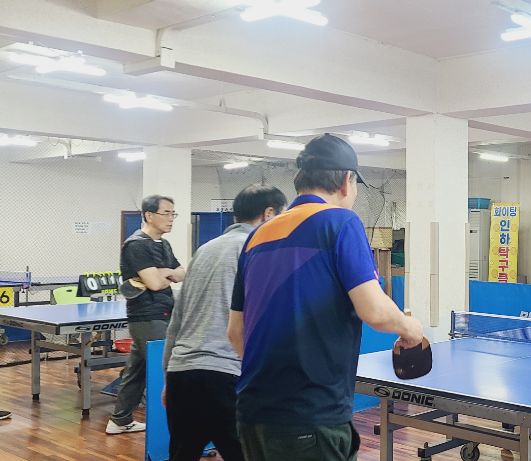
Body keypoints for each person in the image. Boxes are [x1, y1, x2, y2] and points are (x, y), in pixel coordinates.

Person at [227, 134, 423, 461]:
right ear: (346, 181)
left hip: (253, 413)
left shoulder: (258, 235)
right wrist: (409, 328)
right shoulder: (340, 222)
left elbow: (236, 331)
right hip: (310, 415)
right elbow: (374, 311)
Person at [162, 185, 287, 460]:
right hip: (227, 375)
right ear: (269, 214)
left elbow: (177, 319)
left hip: (182, 374)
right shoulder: (259, 251)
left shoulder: (204, 250)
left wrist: (168, 378)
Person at [107, 195, 185, 435]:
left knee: (136, 371)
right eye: (166, 213)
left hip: (164, 312)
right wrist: (165, 274)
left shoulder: (164, 245)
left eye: (173, 213)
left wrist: (164, 272)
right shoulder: (136, 245)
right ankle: (169, 430)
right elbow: (154, 283)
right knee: (165, 370)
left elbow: (183, 273)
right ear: (149, 215)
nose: (171, 218)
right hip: (146, 317)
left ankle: (120, 420)